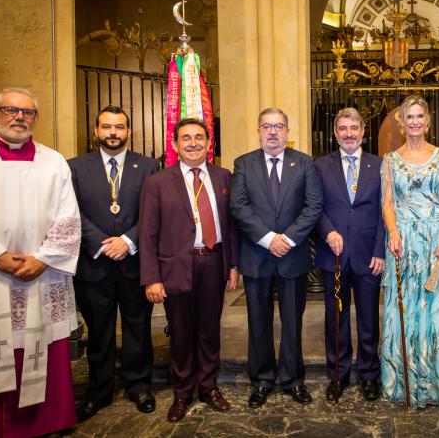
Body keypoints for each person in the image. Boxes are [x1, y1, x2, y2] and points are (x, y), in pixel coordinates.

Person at [0, 87, 81, 437]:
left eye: (27, 113)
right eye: (10, 110)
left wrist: (43, 259)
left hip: (41, 275)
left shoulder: (54, 162)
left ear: (36, 118)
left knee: (41, 351)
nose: (19, 117)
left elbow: (69, 218)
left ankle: (43, 422)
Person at [139, 117, 240, 423]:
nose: (193, 142)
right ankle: (182, 391)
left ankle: (209, 387)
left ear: (210, 143)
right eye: (186, 138)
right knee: (181, 332)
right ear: (175, 144)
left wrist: (233, 264)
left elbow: (232, 225)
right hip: (176, 267)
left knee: (210, 330)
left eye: (199, 137)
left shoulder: (224, 177)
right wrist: (151, 277)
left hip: (214, 262)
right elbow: (147, 233)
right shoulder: (157, 182)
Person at [69, 105, 161, 422]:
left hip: (134, 263)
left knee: (138, 329)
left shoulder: (148, 167)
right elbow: (71, 212)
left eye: (119, 127)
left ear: (129, 132)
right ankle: (99, 391)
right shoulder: (75, 168)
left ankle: (138, 386)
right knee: (99, 332)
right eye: (107, 127)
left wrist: (128, 241)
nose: (113, 133)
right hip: (93, 265)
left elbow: (152, 213)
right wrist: (100, 243)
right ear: (96, 131)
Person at [229, 108, 323, 408]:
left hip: (292, 256)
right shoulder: (243, 164)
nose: (273, 132)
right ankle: (262, 380)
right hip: (258, 255)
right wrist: (269, 239)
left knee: (293, 323)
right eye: (267, 126)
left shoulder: (305, 164)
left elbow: (313, 206)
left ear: (287, 130)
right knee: (258, 322)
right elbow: (239, 206)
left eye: (279, 126)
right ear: (258, 130)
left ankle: (293, 380)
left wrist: (289, 239)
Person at [380, 95, 439, 408]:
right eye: (409, 117)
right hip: (404, 243)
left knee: (437, 309)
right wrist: (392, 233)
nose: (415, 122)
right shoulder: (390, 160)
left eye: (420, 116)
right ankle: (406, 381)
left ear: (427, 121)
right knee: (406, 311)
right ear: (401, 123)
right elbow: (387, 203)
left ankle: (438, 381)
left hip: (435, 243)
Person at [314, 108, 384, 402]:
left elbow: (386, 211)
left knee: (369, 319)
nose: (349, 134)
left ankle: (369, 375)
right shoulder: (320, 166)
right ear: (335, 133)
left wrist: (380, 250)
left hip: (369, 256)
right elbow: (314, 206)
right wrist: (328, 231)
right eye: (343, 128)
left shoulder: (380, 165)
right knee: (336, 319)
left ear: (363, 131)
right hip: (336, 256)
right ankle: (338, 375)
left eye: (354, 128)